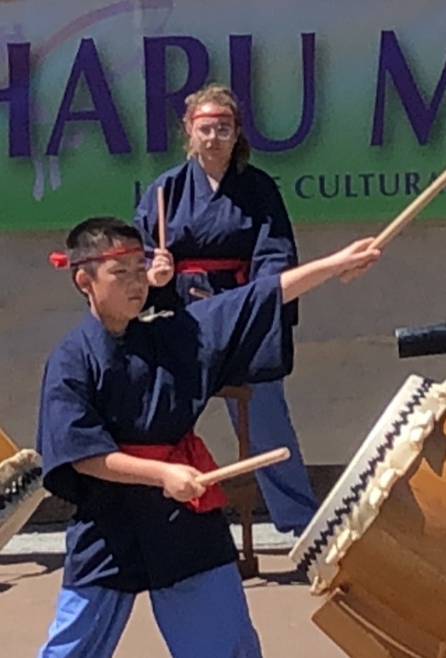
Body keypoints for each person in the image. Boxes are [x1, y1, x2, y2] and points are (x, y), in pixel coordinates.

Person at [35, 216, 378, 657]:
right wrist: (161, 474)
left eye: (141, 270)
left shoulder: (174, 334)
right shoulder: (71, 360)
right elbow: (82, 454)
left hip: (184, 521)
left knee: (226, 646)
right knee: (70, 649)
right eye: (121, 274)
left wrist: (332, 265)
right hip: (110, 520)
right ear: (84, 279)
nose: (137, 284)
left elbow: (256, 298)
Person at [135, 83, 317, 535]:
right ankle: (155, 520)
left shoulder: (257, 190)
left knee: (266, 418)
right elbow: (138, 254)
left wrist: (250, 304)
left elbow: (275, 256)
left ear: (238, 133)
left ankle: (300, 522)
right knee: (156, 414)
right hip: (181, 317)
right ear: (188, 132)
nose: (214, 137)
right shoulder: (167, 189)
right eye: (205, 128)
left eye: (223, 127)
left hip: (239, 315)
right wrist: (152, 274)